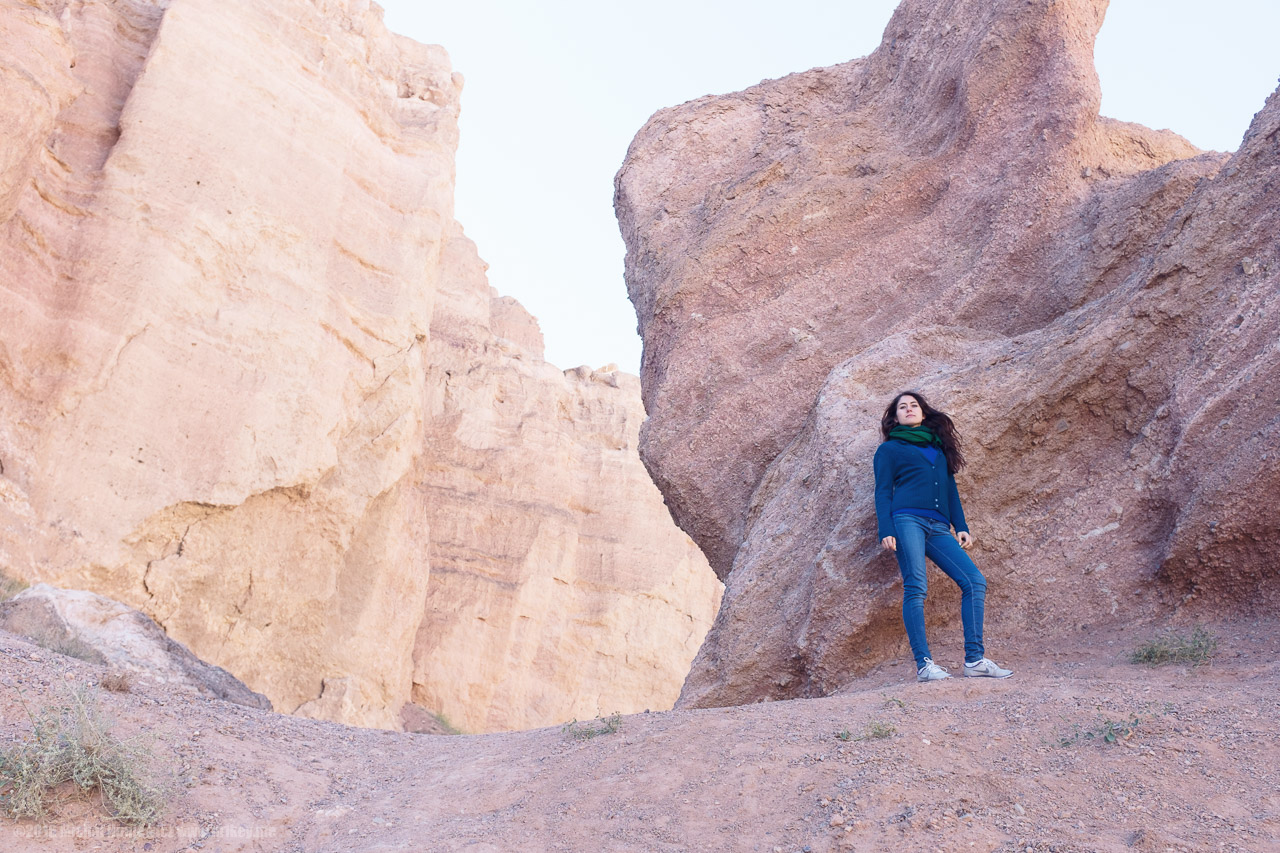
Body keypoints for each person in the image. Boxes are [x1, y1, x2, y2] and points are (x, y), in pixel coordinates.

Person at [872, 391, 1012, 682]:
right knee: (916, 587)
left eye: (914, 405)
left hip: (938, 526)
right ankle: (924, 665)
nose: (909, 409)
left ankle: (974, 660)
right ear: (895, 417)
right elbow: (883, 491)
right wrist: (886, 529)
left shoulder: (937, 448)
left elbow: (950, 490)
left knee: (974, 581)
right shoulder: (889, 450)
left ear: (923, 413)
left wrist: (961, 525)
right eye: (902, 407)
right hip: (906, 520)